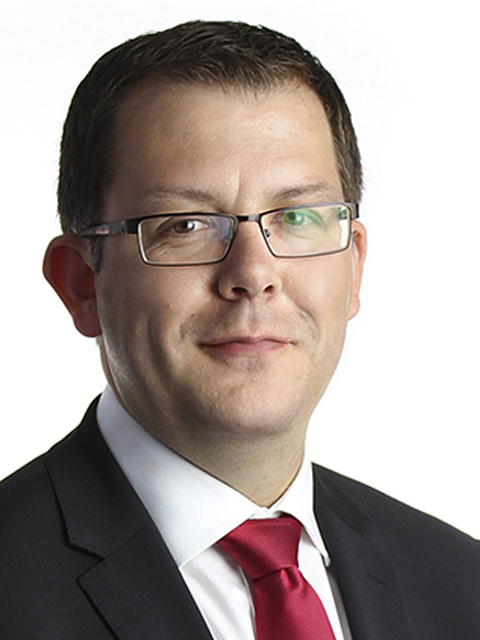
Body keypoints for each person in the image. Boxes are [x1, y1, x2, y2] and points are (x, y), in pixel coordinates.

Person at [0, 20, 478, 640]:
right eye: (186, 225)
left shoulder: (459, 583)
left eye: (297, 217)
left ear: (354, 266)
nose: (254, 274)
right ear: (81, 284)